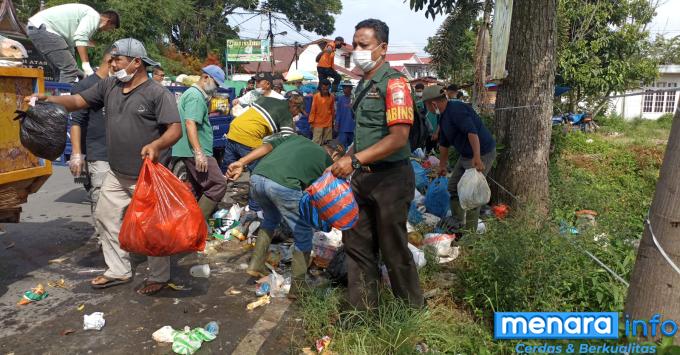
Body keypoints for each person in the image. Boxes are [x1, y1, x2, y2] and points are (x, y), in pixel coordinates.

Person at [29, 38, 182, 295]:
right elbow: (78, 101)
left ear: (136, 62)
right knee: (105, 217)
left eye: (117, 59)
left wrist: (156, 145)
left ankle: (159, 276)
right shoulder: (110, 85)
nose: (111, 64)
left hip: (147, 176)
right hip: (116, 173)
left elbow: (174, 130)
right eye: (111, 59)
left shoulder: (158, 93)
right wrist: (50, 100)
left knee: (151, 228)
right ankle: (118, 270)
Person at [329, 19, 423, 310]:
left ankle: (411, 311)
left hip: (390, 180)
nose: (357, 50)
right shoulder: (362, 84)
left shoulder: (394, 83)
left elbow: (398, 138)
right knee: (357, 249)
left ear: (383, 48)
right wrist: (346, 156)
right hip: (362, 178)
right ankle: (362, 314)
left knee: (394, 251)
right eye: (355, 44)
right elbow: (366, 133)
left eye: (364, 45)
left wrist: (354, 160)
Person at [227, 136, 345, 299]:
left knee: (270, 219)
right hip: (282, 186)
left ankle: (256, 264)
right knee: (303, 233)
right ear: (335, 156)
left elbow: (267, 147)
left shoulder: (295, 139)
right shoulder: (327, 163)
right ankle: (298, 289)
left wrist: (242, 162)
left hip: (256, 179)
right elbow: (323, 197)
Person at [422, 85, 496, 231]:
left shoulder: (456, 110)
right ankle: (458, 222)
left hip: (482, 153)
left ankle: (470, 234)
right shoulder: (443, 116)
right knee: (453, 187)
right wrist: (442, 166)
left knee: (471, 193)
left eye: (426, 105)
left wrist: (477, 157)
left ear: (433, 104)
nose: (427, 108)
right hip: (466, 155)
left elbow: (472, 132)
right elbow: (443, 143)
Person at [171, 65, 228, 219]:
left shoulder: (195, 95)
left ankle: (189, 226)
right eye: (216, 84)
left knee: (199, 189)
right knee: (218, 185)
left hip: (193, 150)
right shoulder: (195, 96)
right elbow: (190, 123)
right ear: (205, 78)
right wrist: (199, 152)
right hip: (196, 150)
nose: (216, 89)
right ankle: (197, 224)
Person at [224, 97, 295, 214]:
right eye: (297, 113)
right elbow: (288, 140)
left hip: (233, 130)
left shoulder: (268, 100)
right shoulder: (286, 113)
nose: (295, 116)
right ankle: (254, 209)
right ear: (294, 107)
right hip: (248, 137)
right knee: (258, 175)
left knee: (228, 170)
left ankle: (215, 199)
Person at [68, 49, 113, 237]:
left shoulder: (116, 86)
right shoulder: (86, 86)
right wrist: (77, 154)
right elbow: (76, 122)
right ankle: (104, 242)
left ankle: (116, 243)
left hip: (118, 154)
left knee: (117, 202)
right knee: (101, 199)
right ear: (111, 62)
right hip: (98, 153)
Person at [27, 4, 119, 83]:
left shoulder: (87, 18)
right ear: (108, 21)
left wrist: (79, 72)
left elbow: (70, 44)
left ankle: (57, 98)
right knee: (69, 70)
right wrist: (86, 65)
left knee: (61, 69)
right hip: (44, 29)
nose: (107, 31)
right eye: (110, 28)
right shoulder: (94, 17)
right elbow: (80, 38)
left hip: (36, 28)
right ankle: (63, 102)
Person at [414, 83, 439, 153]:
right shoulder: (415, 101)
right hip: (421, 132)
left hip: (432, 132)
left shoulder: (432, 102)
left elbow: (439, 118)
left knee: (431, 151)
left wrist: (436, 132)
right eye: (417, 91)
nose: (418, 93)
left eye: (420, 91)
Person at [309, 79, 335, 145]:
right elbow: (313, 110)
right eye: (324, 89)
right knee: (316, 143)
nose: (325, 91)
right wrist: (311, 122)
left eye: (327, 89)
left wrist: (333, 122)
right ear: (321, 87)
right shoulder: (316, 96)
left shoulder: (332, 97)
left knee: (327, 143)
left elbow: (332, 110)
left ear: (329, 88)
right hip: (317, 123)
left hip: (328, 123)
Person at [335, 81, 355, 149]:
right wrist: (337, 124)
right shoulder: (340, 99)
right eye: (343, 87)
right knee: (341, 146)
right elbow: (338, 112)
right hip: (343, 127)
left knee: (352, 147)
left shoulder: (355, 99)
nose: (344, 89)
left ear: (351, 88)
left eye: (346, 87)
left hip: (353, 127)